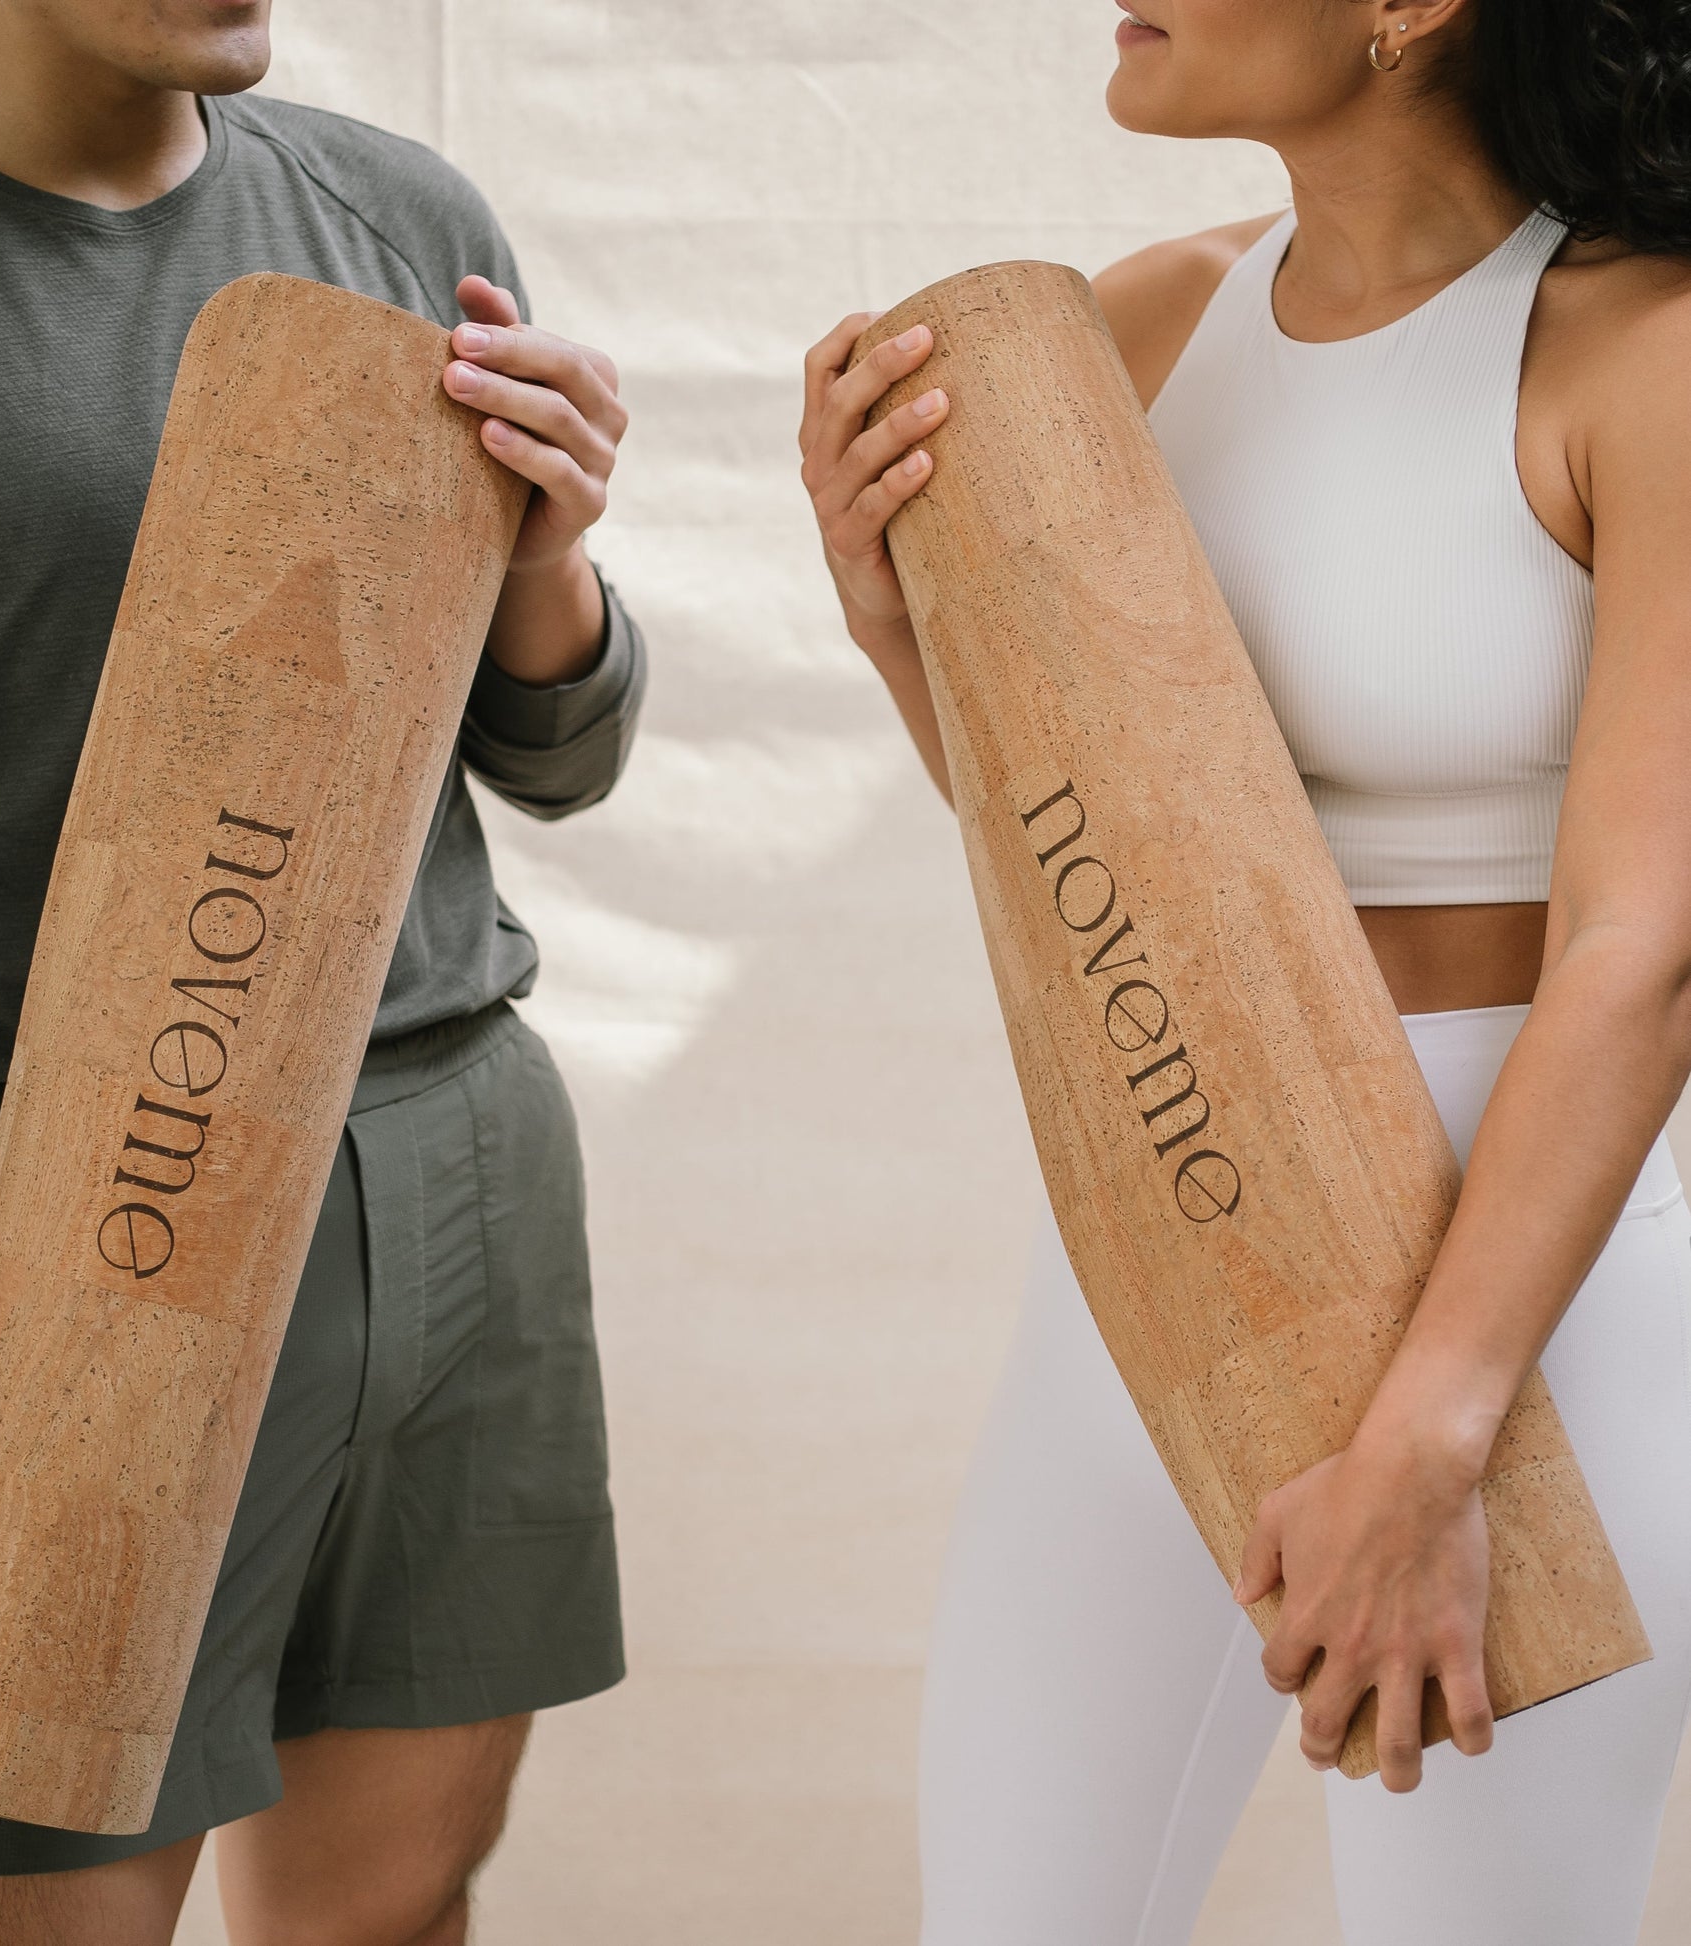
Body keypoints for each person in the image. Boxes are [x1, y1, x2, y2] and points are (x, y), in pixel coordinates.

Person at [0, 0, 643, 1938]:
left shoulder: (402, 218)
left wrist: (552, 572)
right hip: (72, 1221)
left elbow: (550, 754)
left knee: (394, 1909)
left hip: (456, 1161)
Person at [801, 1, 1691, 1941]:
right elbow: (1078, 869)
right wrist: (896, 627)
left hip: (1534, 1315)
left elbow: (1643, 954)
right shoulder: (1136, 336)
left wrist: (1432, 1434)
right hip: (1168, 1261)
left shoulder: (1642, 347)